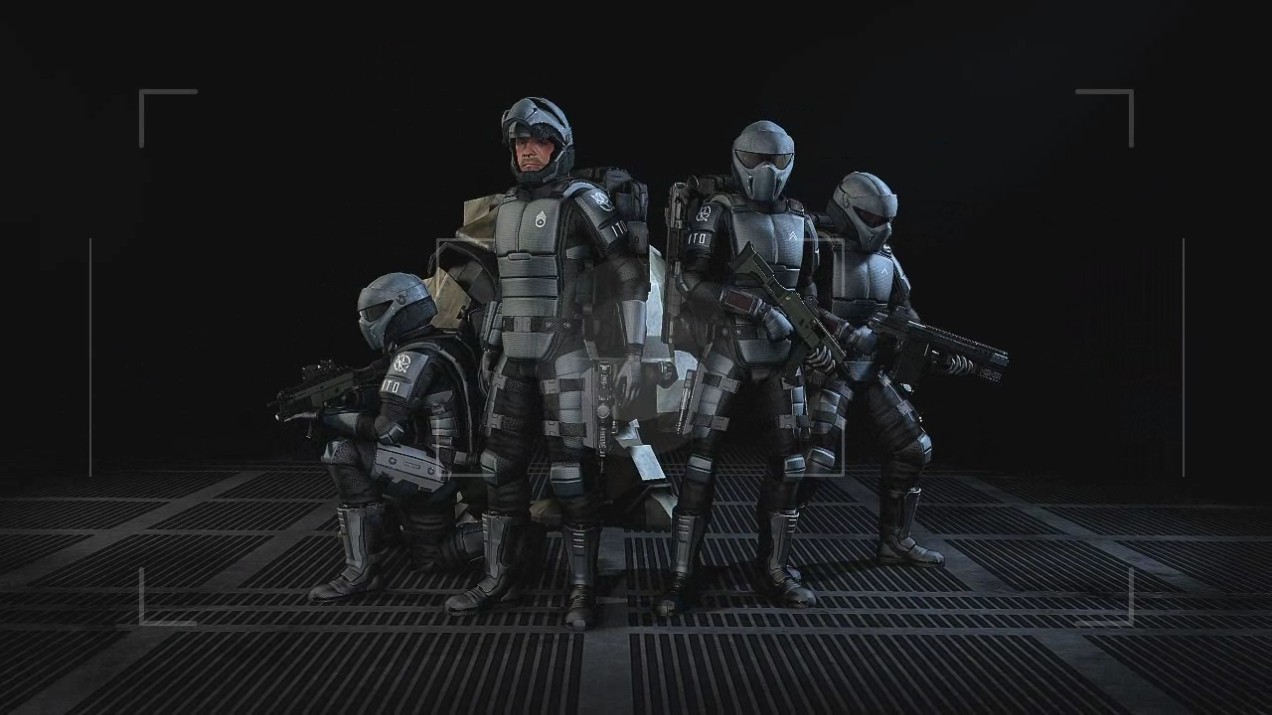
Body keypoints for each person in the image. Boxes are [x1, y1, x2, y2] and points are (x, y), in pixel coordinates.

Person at [444, 97, 650, 631]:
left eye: (539, 141)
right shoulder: (506, 206)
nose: (528, 151)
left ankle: (581, 588)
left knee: (571, 475)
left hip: (568, 356)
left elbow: (628, 274)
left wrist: (631, 353)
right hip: (514, 357)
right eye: (520, 142)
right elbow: (501, 288)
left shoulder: (583, 201)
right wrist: (491, 348)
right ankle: (500, 573)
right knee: (497, 467)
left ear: (560, 147)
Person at [655, 120, 832, 617]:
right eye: (756, 159)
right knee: (700, 464)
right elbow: (689, 282)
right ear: (738, 158)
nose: (766, 170)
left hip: (783, 357)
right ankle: (682, 574)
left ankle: (775, 569)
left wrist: (814, 337)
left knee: (789, 464)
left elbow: (809, 288)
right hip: (728, 347)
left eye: (777, 161)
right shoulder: (718, 210)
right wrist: (756, 308)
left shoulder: (801, 220)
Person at [287, 272, 488, 600]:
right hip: (463, 466)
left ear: (400, 307)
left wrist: (326, 416)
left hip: (439, 473)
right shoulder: (446, 341)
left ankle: (361, 570)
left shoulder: (412, 357)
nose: (366, 322)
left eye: (373, 313)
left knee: (342, 452)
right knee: (429, 559)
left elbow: (386, 430)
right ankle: (506, 538)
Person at [801, 171, 944, 567]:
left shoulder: (886, 258)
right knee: (813, 461)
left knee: (914, 448)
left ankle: (894, 541)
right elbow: (799, 305)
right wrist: (841, 333)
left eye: (886, 220)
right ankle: (774, 556)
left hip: (871, 367)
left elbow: (905, 314)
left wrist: (931, 350)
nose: (881, 228)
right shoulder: (817, 245)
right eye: (873, 218)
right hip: (828, 365)